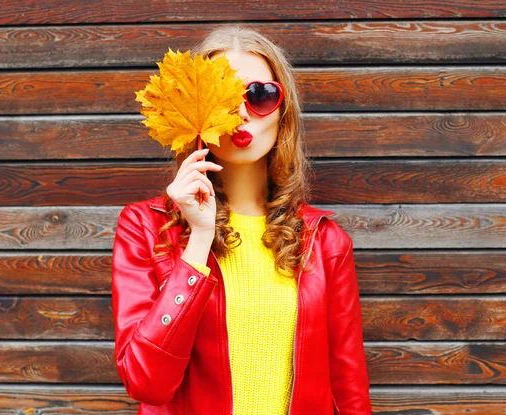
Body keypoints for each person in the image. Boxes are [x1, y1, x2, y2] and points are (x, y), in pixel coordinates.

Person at [111, 24, 372, 415]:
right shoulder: (145, 229)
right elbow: (146, 382)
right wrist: (198, 238)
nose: (240, 114)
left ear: (283, 113)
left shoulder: (325, 241)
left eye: (260, 95)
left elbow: (349, 389)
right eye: (223, 96)